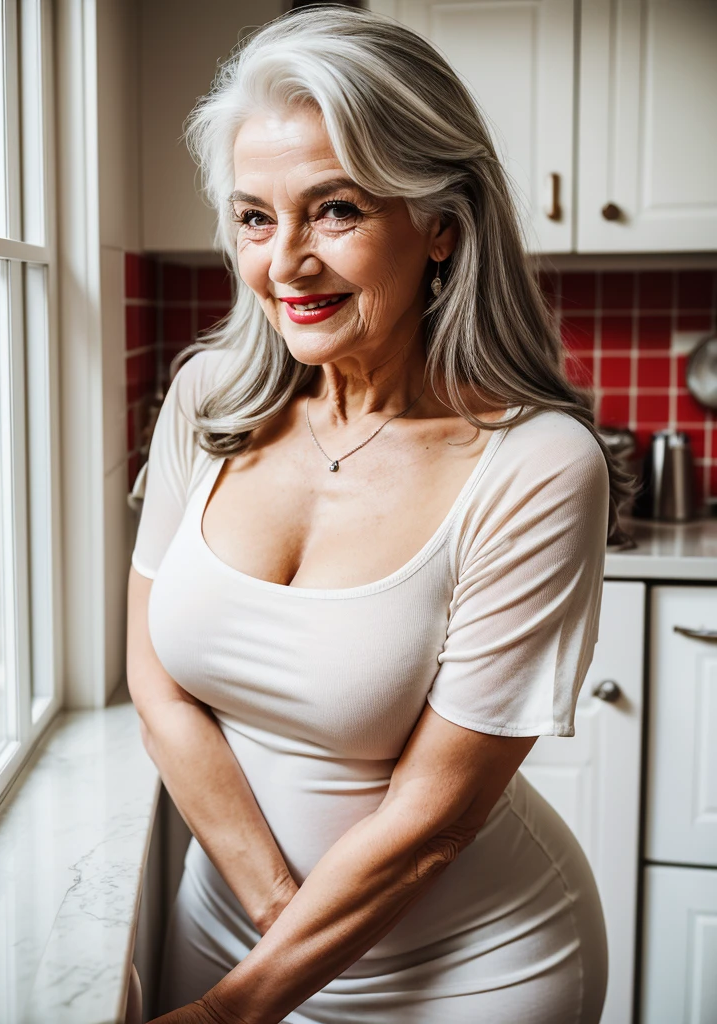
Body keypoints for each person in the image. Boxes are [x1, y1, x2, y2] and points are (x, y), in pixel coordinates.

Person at [126, 6, 635, 1023]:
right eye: (255, 217)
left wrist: (231, 1012)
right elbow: (155, 676)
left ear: (441, 222)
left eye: (337, 209)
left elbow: (432, 822)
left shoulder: (534, 466)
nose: (285, 265)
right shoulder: (210, 400)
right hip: (235, 929)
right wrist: (275, 922)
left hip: (471, 971)